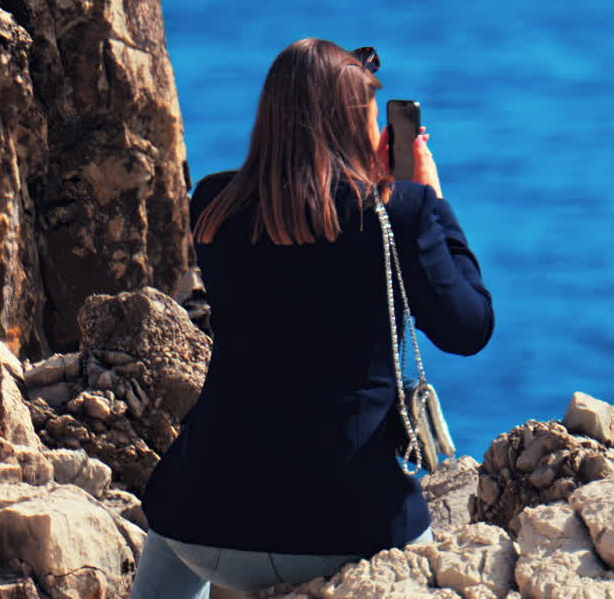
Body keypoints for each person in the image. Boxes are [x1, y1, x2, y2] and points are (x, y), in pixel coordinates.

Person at [129, 38, 495, 598]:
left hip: (202, 523)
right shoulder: (401, 214)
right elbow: (469, 328)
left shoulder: (213, 204)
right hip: (345, 524)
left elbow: (298, 240)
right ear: (358, 126)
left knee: (176, 521)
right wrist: (432, 201)